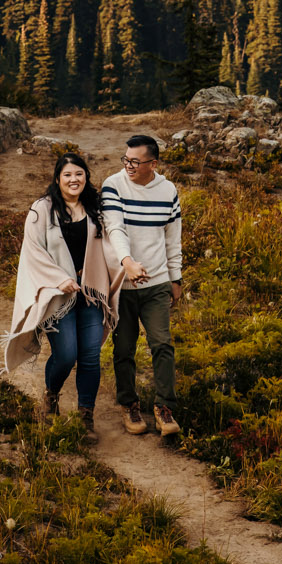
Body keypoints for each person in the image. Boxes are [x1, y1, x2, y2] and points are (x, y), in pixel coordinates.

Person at [2, 152, 120, 438]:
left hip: (91, 294)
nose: (73, 179)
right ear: (58, 179)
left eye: (79, 173)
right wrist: (60, 279)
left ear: (86, 177)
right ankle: (52, 394)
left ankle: (85, 417)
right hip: (59, 297)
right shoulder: (42, 209)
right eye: (67, 175)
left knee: (90, 356)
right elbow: (33, 251)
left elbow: (112, 241)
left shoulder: (95, 209)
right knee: (66, 355)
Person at [100, 134, 184, 437]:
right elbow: (114, 228)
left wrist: (175, 279)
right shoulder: (113, 185)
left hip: (158, 284)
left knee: (162, 344)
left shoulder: (168, 191)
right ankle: (129, 404)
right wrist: (128, 263)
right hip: (123, 285)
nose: (129, 165)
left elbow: (172, 239)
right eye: (126, 159)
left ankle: (164, 408)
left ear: (153, 163)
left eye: (135, 161)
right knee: (124, 348)